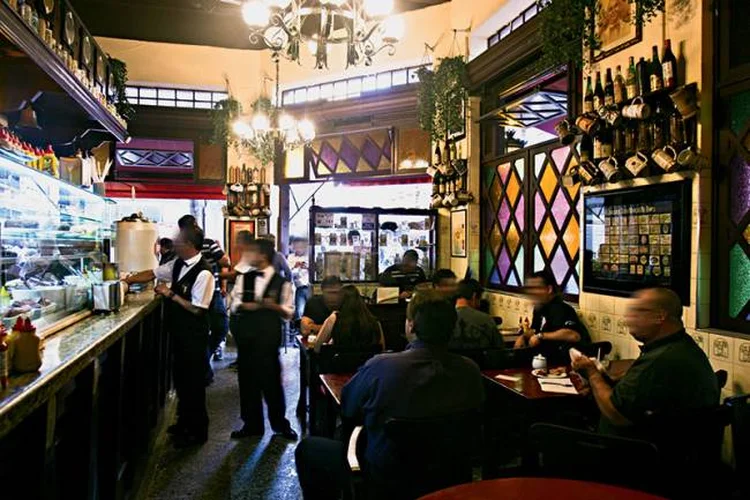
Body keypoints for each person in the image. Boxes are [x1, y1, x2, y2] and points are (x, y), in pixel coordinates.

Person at [295, 290, 485, 499]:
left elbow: (348, 407)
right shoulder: (470, 371)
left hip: (386, 476)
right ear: (452, 326)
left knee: (308, 449)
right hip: (450, 476)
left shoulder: (381, 368)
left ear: (410, 325)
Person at [572, 288, 719, 441]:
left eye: (637, 312)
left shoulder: (661, 359)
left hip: (639, 454)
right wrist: (602, 379)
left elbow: (616, 414)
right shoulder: (681, 346)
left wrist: (593, 373)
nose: (628, 319)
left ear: (660, 316)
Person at [124, 225, 214, 448]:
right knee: (182, 381)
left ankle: (197, 431)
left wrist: (170, 294)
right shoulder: (177, 264)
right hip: (179, 334)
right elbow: (153, 273)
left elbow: (198, 309)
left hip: (194, 337)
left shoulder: (204, 273)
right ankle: (184, 423)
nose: (175, 244)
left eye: (179, 242)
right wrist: (127, 281)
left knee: (194, 384)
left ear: (191, 246)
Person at [229, 238, 297, 440]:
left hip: (268, 340)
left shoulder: (282, 283)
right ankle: (251, 425)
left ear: (263, 256)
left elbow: (289, 313)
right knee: (247, 383)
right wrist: (245, 306)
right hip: (247, 338)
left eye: (251, 252)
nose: (248, 256)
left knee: (271, 383)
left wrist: (273, 306)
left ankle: (280, 425)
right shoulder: (244, 278)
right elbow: (234, 304)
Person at [178, 215, 231, 365]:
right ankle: (203, 360)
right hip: (210, 292)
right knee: (220, 327)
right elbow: (226, 261)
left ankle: (201, 361)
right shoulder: (208, 243)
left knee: (197, 331)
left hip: (187, 294)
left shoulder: (181, 248)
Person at [514, 271, 590, 357]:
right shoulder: (539, 308)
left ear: (549, 289)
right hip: (542, 357)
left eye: (536, 288)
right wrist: (523, 337)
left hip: (563, 360)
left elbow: (574, 335)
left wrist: (541, 336)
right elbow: (534, 330)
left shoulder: (562, 308)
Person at [313, 285, 385, 353]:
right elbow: (382, 349)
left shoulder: (334, 318)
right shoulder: (374, 321)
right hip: (369, 364)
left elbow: (317, 347)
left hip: (342, 365)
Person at [451, 279, 501, 350]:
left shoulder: (444, 319)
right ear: (474, 296)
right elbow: (499, 348)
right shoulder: (486, 319)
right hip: (480, 360)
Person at [287, 237, 310, 327]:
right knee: (300, 310)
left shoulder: (309, 256)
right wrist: (295, 267)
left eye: (301, 246)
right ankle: (300, 329)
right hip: (299, 287)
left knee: (310, 309)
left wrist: (307, 267)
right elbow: (288, 273)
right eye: (296, 247)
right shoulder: (291, 258)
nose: (298, 249)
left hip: (309, 286)